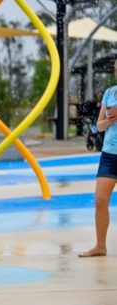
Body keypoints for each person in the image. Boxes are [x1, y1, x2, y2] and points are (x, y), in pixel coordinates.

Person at [79, 62, 117, 257]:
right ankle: (100, 246)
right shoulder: (110, 93)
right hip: (110, 155)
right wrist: (108, 120)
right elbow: (99, 126)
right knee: (100, 201)